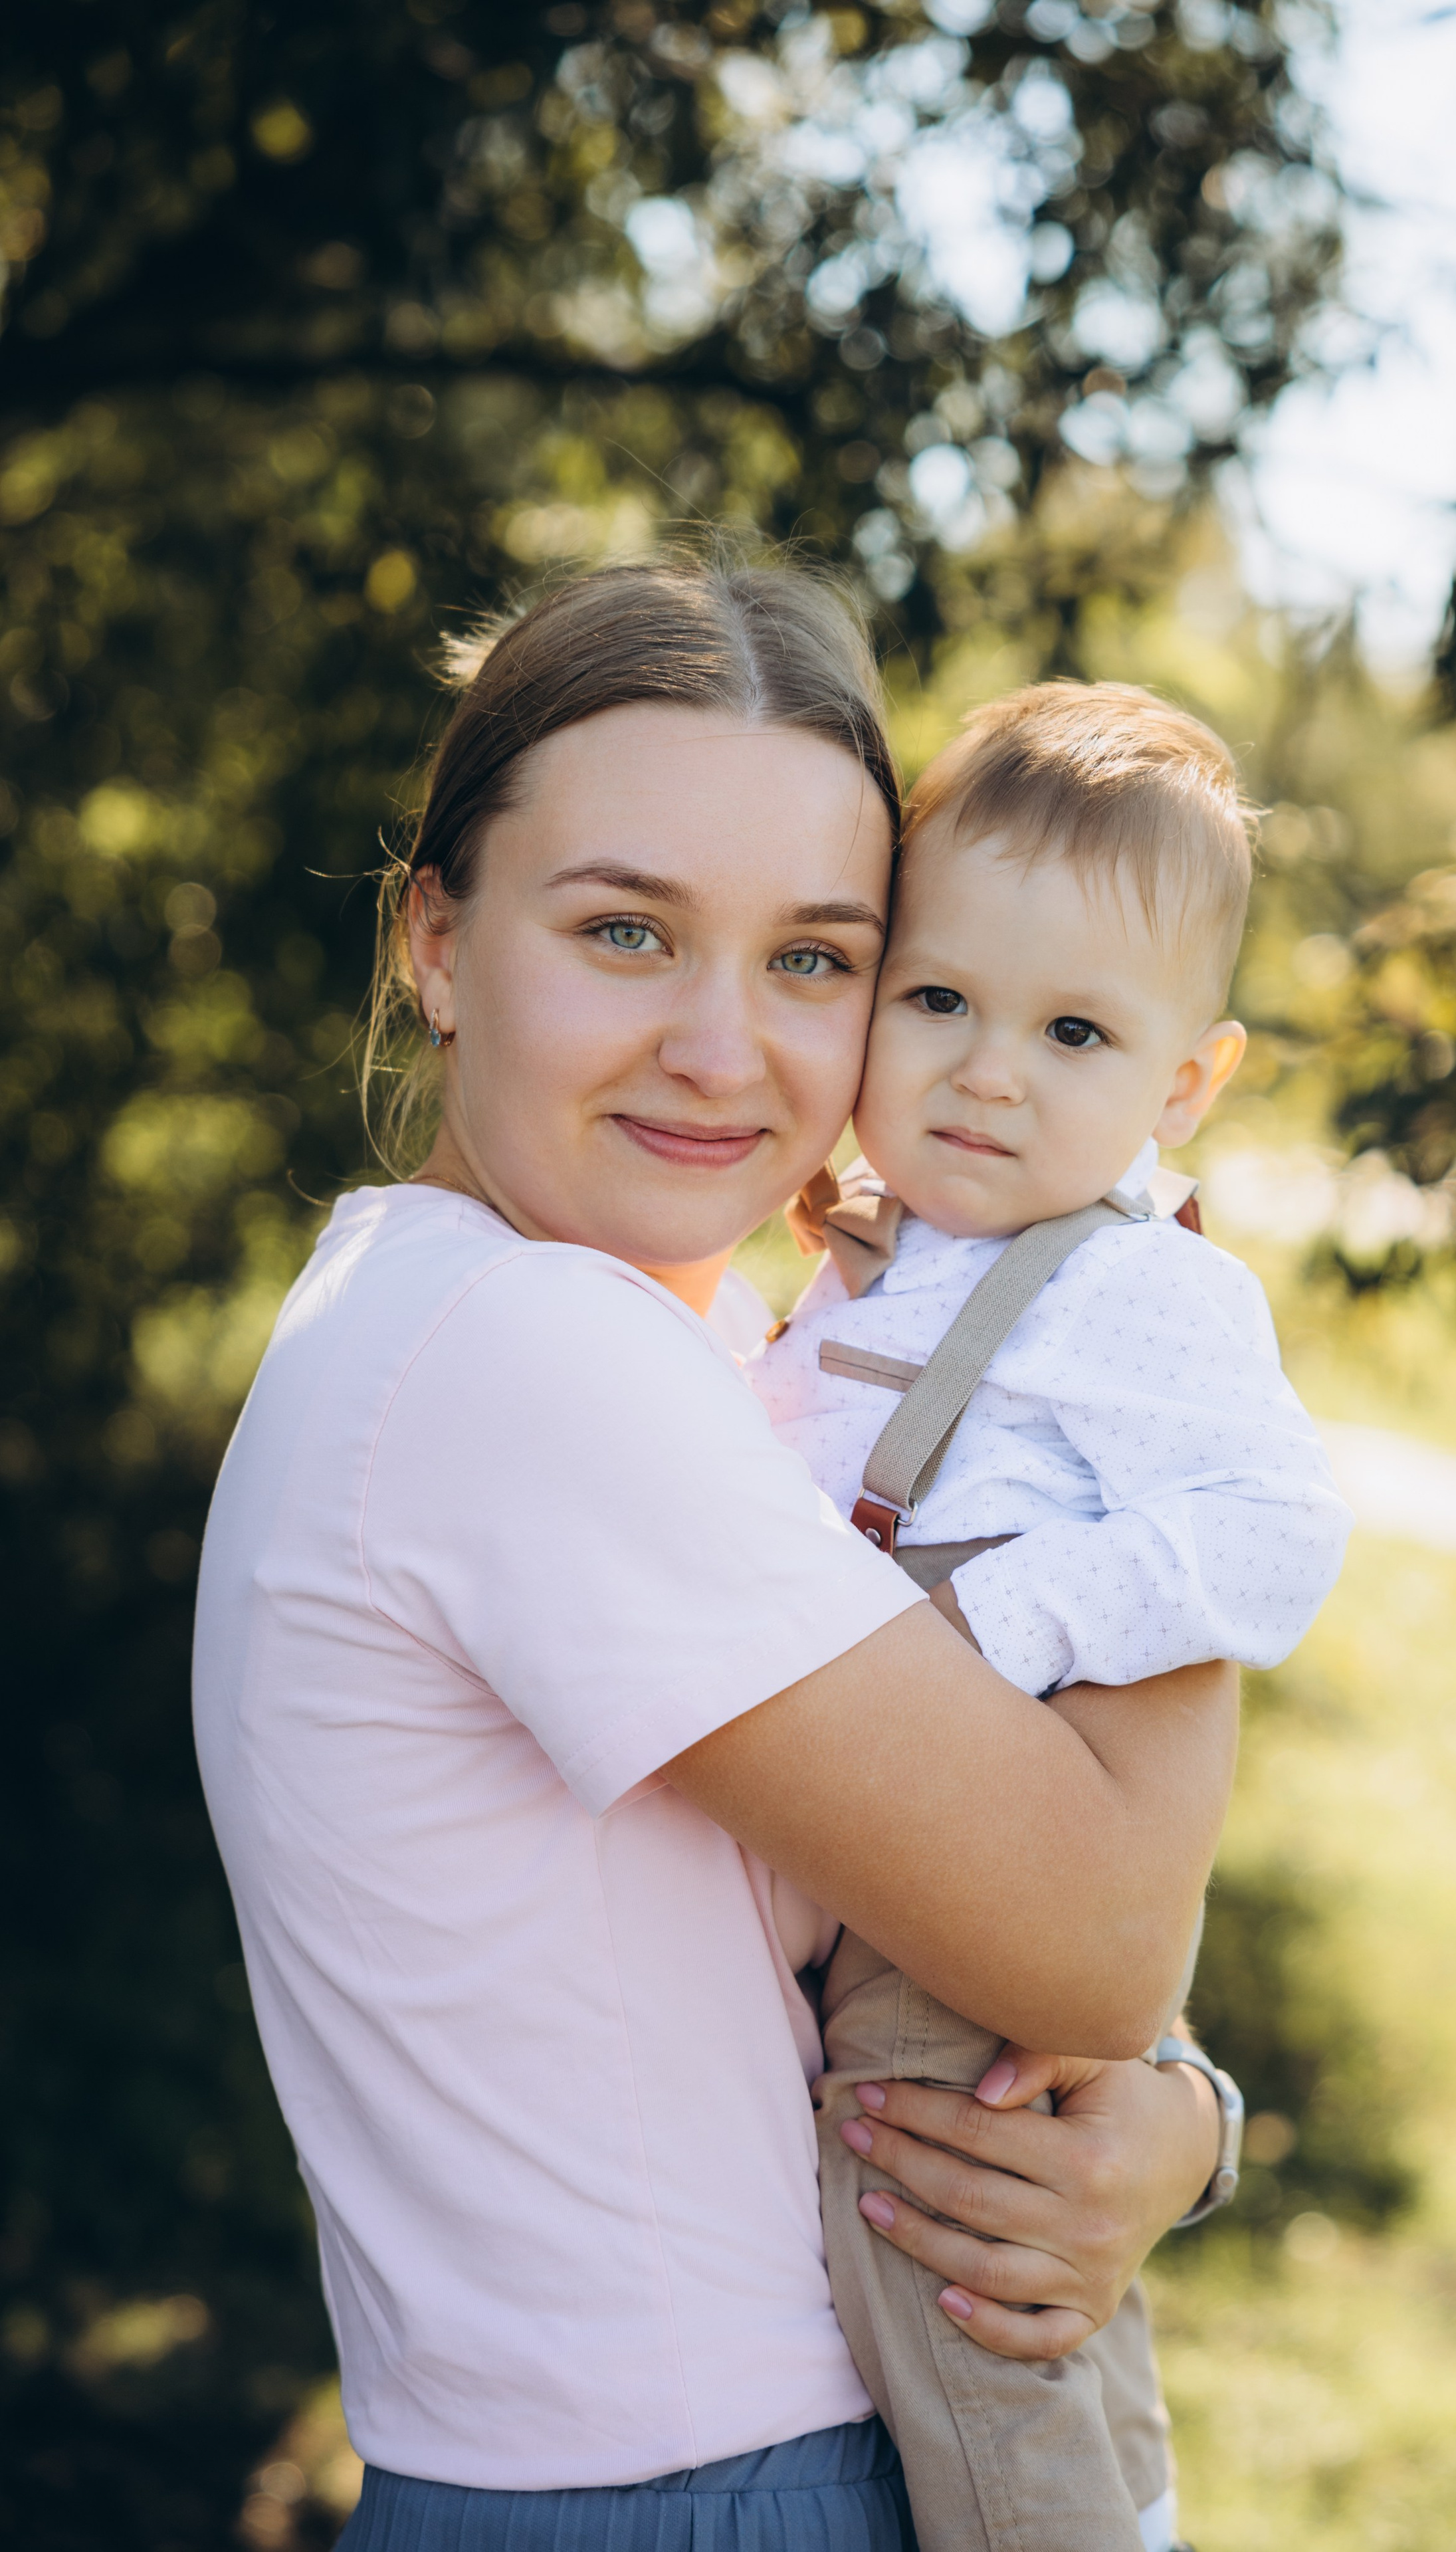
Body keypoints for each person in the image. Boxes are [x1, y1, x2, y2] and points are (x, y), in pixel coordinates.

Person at [193, 561, 1238, 2552]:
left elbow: (956, 1922)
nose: (723, 1048)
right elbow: (1103, 1937)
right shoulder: (521, 1357)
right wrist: (1168, 1408)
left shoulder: (654, 1342)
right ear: (435, 938)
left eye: (819, 961)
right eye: (623, 931)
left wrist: (1178, 2122)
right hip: (697, 2491)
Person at [751, 681, 1354, 2551]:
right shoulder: (887, 1247)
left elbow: (1279, 1531)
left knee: (958, 2287)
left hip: (974, 1857)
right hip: (854, 1816)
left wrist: (1009, 1627)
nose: (988, 1071)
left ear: (1183, 1084)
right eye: (936, 1001)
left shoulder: (1135, 1291)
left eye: (1073, 1030)